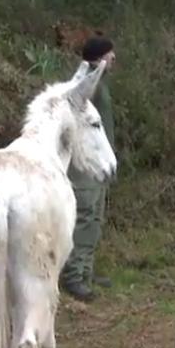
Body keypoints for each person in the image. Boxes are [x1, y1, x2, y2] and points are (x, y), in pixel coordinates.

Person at [60, 35, 116, 302]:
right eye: (109, 53)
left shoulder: (100, 81)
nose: (113, 57)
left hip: (100, 164)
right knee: (84, 218)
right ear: (98, 57)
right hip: (85, 167)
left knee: (94, 219)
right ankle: (73, 277)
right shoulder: (85, 84)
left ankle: (85, 272)